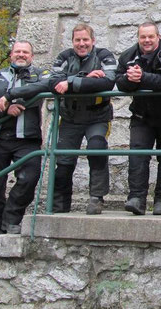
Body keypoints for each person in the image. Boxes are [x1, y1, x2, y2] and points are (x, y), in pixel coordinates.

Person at [0, 41, 51, 235]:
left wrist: (12, 96)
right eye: (17, 52)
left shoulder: (40, 75)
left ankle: (11, 218)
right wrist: (5, 109)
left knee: (29, 178)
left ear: (31, 56)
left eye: (25, 52)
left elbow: (48, 84)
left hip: (27, 139)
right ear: (11, 55)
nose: (21, 55)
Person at [116, 22, 161, 216]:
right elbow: (119, 82)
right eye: (143, 37)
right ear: (138, 38)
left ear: (158, 37)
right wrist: (130, 79)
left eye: (150, 37)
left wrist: (142, 77)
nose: (146, 40)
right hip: (141, 115)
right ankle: (136, 198)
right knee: (138, 154)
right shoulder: (127, 56)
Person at [49, 24, 117, 215]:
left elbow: (108, 81)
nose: (82, 44)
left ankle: (97, 198)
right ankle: (59, 205)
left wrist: (70, 81)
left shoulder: (104, 56)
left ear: (93, 41)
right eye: (77, 40)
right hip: (70, 118)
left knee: (96, 149)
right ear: (72, 42)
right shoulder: (64, 57)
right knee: (63, 161)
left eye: (85, 40)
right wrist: (87, 78)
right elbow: (53, 83)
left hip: (98, 116)